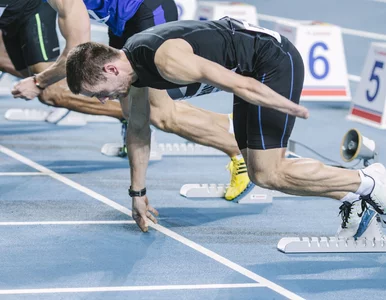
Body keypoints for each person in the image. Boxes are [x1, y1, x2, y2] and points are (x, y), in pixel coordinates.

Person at [65, 17, 386, 234]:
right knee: (262, 174)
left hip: (271, 63)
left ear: (109, 69)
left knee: (270, 172)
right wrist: (138, 193)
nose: (104, 101)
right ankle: (353, 195)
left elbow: (234, 82)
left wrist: (287, 106)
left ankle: (370, 182)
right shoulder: (133, 68)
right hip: (251, 72)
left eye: (100, 93)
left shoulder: (164, 59)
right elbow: (138, 131)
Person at [6, 0, 250, 200]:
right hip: (122, 22)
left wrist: (39, 81)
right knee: (130, 108)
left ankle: (240, 155)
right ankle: (220, 123)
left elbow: (75, 52)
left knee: (156, 112)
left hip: (147, 12)